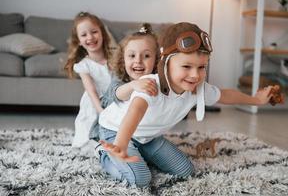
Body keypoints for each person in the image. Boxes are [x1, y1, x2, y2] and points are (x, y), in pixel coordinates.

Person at [97, 22, 274, 188]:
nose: (195, 75)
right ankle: (105, 155)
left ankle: (140, 152)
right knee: (140, 179)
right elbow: (134, 112)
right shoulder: (151, 85)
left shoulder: (196, 88)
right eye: (187, 66)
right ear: (165, 62)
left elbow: (225, 95)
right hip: (117, 131)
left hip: (148, 136)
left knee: (185, 170)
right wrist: (121, 144)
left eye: (202, 67)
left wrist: (256, 100)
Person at [90, 23, 159, 149]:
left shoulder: (155, 79)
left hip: (142, 130)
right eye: (132, 56)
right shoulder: (121, 77)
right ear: (123, 59)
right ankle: (101, 150)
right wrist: (133, 85)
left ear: (156, 60)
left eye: (147, 56)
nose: (138, 61)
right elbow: (117, 93)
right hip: (114, 128)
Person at [64, 12, 112, 148]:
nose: (90, 37)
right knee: (92, 137)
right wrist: (101, 112)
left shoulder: (114, 58)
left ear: (102, 33)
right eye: (84, 35)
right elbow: (91, 90)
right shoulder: (84, 65)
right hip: (95, 104)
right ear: (78, 40)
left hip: (114, 100)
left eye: (94, 32)